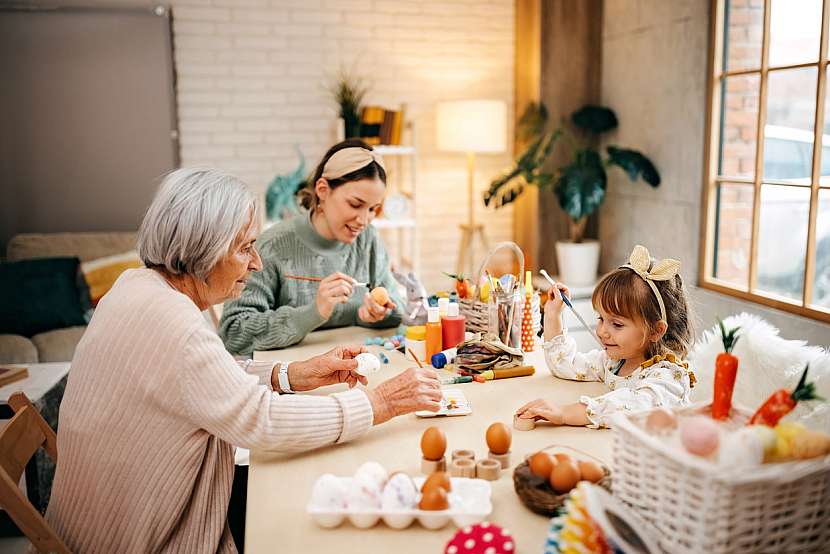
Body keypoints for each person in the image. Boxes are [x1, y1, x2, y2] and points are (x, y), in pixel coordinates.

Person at [43, 168, 441, 553]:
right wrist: (380, 403)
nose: (257, 263)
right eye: (244, 248)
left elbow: (200, 376)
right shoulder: (173, 323)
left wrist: (292, 374)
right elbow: (260, 420)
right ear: (202, 249)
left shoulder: (137, 287)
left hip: (105, 523)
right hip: (140, 539)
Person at [220, 139, 403, 355]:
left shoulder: (368, 240)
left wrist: (371, 314)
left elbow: (398, 310)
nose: (364, 220)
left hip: (354, 371)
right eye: (355, 204)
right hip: (291, 380)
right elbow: (234, 333)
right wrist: (313, 312)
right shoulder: (271, 246)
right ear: (323, 190)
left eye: (373, 209)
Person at [515, 245, 696, 429]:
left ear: (656, 331)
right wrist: (553, 314)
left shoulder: (669, 377)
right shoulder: (615, 362)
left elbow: (631, 406)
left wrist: (564, 413)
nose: (602, 331)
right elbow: (565, 364)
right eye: (601, 318)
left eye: (617, 324)